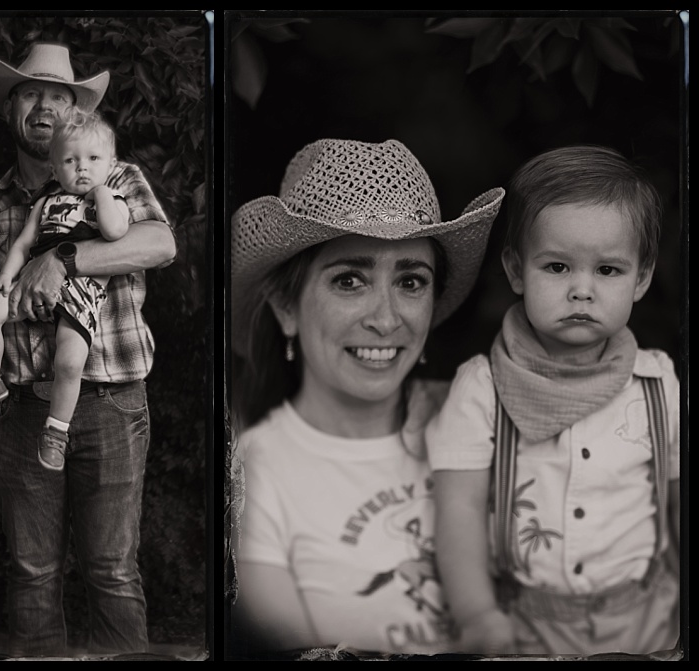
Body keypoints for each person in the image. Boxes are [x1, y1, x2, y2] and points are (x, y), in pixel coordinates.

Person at [228, 137, 505, 656]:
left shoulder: (487, 422)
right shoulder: (250, 474)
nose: (385, 318)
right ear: (286, 308)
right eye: (350, 279)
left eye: (411, 281)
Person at [426, 145, 680, 656]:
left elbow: (676, 504)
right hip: (526, 625)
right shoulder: (483, 386)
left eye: (608, 270)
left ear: (642, 279)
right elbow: (460, 508)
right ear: (517, 272)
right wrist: (477, 615)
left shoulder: (657, 383)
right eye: (558, 267)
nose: (581, 290)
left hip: (648, 617)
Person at [0, 42, 175, 656]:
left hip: (110, 400)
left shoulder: (116, 176)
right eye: (29, 94)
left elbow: (159, 244)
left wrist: (64, 259)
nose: (43, 106)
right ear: (12, 110)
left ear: (74, 110)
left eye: (57, 96)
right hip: (20, 408)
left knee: (111, 569)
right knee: (32, 572)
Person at [0, 109, 130, 473]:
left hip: (79, 293)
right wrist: (5, 278)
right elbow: (22, 244)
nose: (82, 168)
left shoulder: (112, 199)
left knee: (68, 360)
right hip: (31, 284)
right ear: (54, 167)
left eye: (94, 159)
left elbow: (115, 233)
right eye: (70, 160)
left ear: (111, 164)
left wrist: (101, 193)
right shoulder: (45, 201)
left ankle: (56, 431)